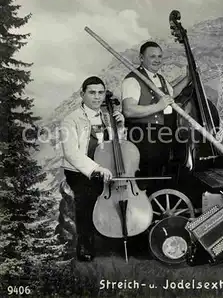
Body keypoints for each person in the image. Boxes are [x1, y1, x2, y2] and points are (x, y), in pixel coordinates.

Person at [60, 76, 125, 261]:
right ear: (82, 94)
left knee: (113, 197)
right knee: (86, 198)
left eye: (100, 92)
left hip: (105, 166)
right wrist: (95, 169)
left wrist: (119, 127)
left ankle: (112, 240)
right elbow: (71, 153)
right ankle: (85, 245)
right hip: (79, 170)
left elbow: (117, 146)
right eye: (92, 92)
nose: (97, 97)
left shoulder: (107, 116)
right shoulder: (71, 119)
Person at [121, 41, 189, 194]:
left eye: (159, 56)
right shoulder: (132, 80)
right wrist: (159, 106)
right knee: (146, 180)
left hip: (161, 136)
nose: (157, 60)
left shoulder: (161, 79)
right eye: (152, 56)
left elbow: (171, 95)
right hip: (143, 138)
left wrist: (188, 78)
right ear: (141, 58)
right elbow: (129, 110)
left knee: (160, 178)